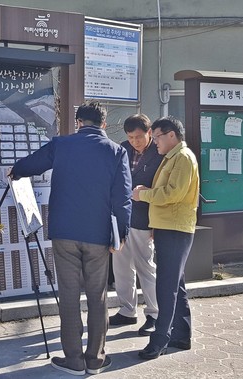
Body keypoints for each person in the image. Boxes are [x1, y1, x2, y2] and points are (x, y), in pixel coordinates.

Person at [10, 100, 132, 376]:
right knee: (97, 296)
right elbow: (123, 198)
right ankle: (96, 359)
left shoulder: (61, 145)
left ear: (78, 122)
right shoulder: (116, 152)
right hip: (98, 235)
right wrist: (121, 234)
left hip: (64, 232)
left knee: (68, 296)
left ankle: (74, 360)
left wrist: (16, 170)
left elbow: (32, 164)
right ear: (103, 123)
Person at [132, 116, 199, 360]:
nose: (155, 141)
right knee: (176, 284)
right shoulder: (172, 157)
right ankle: (182, 335)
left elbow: (172, 194)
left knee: (166, 286)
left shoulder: (182, 157)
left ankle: (159, 340)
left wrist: (143, 195)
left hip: (175, 229)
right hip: (167, 227)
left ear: (171, 135)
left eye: (157, 136)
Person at [109, 114, 162, 336]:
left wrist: (156, 224)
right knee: (121, 266)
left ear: (149, 133)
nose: (135, 141)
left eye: (139, 137)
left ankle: (154, 314)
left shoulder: (159, 154)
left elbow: (160, 189)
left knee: (145, 267)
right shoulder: (122, 149)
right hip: (121, 218)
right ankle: (127, 310)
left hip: (145, 219)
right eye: (130, 137)